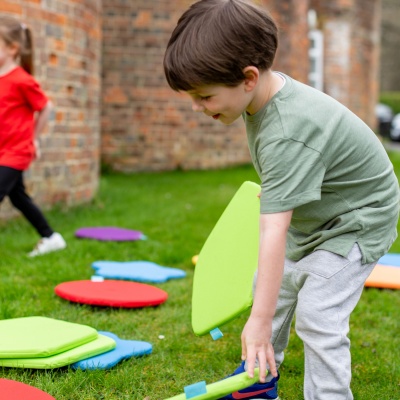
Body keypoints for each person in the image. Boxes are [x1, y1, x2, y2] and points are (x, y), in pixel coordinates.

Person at [163, 1, 400, 399]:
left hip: (356, 222)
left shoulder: (288, 131)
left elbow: (274, 227)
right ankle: (259, 381)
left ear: (248, 78)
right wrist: (263, 310)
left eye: (204, 97)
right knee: (270, 289)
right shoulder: (262, 97)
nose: (197, 108)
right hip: (319, 214)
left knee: (317, 312)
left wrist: (256, 321)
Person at [0, 15, 66, 257]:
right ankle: (50, 237)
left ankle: (51, 237)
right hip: (3, 150)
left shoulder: (22, 80)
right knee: (18, 198)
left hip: (15, 152)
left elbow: (45, 107)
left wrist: (34, 139)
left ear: (12, 48)